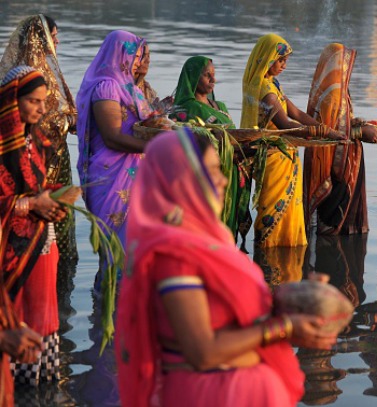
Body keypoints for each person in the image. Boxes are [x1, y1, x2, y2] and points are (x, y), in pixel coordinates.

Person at [115, 129, 337, 407]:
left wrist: (297, 297)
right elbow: (203, 351)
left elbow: (234, 311)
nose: (222, 180)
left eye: (220, 169)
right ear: (179, 180)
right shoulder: (174, 254)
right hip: (212, 393)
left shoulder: (213, 239)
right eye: (210, 171)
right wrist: (284, 327)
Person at [240, 33, 343, 248]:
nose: (284, 65)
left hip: (284, 155)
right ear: (267, 59)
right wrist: (322, 132)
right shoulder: (265, 91)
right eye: (280, 60)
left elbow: (295, 113)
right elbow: (285, 124)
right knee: (274, 207)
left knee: (285, 208)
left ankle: (280, 253)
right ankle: (270, 255)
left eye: (286, 60)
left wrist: (326, 129)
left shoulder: (272, 84)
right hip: (275, 158)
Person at [0, 65, 67, 387]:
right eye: (34, 101)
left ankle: (36, 382)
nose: (43, 108)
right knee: (16, 318)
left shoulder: (35, 140)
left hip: (40, 245)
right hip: (8, 257)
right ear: (13, 101)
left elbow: (34, 188)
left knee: (42, 316)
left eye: (44, 101)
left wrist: (54, 202)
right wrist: (31, 205)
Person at [0, 14, 79, 266]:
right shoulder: (22, 78)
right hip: (12, 245)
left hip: (50, 157)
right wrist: (67, 121)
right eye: (53, 38)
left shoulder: (47, 74)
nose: (57, 44)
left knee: (54, 233)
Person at [76, 30, 153, 250]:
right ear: (121, 55)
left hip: (134, 173)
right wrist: (156, 146)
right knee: (115, 254)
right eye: (136, 56)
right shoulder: (107, 87)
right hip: (111, 175)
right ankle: (107, 286)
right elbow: (112, 137)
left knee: (136, 252)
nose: (139, 62)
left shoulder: (132, 89)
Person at [172, 56, 251, 241]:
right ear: (193, 78)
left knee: (226, 223)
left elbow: (234, 134)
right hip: (206, 175)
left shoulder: (220, 106)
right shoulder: (185, 109)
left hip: (229, 172)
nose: (213, 80)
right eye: (207, 75)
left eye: (214, 75)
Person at [304, 42, 377, 235]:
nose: (347, 70)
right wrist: (360, 132)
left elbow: (340, 122)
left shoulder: (333, 91)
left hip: (344, 158)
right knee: (333, 219)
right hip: (334, 165)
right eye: (344, 65)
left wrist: (356, 123)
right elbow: (332, 132)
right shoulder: (332, 95)